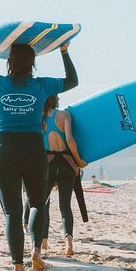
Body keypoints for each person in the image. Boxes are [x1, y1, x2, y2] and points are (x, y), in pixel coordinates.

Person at [0, 35, 78, 271]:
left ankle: (17, 266)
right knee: (37, 203)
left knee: (12, 212)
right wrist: (64, 51)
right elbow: (72, 81)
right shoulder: (41, 86)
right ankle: (35, 252)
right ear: (33, 63)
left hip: (4, 149)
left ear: (8, 62)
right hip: (33, 149)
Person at [41, 94, 87, 256]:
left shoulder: (39, 119)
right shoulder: (64, 115)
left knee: (43, 203)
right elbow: (69, 139)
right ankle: (68, 244)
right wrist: (78, 160)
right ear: (56, 101)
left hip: (48, 165)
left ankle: (43, 242)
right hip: (66, 164)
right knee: (65, 205)